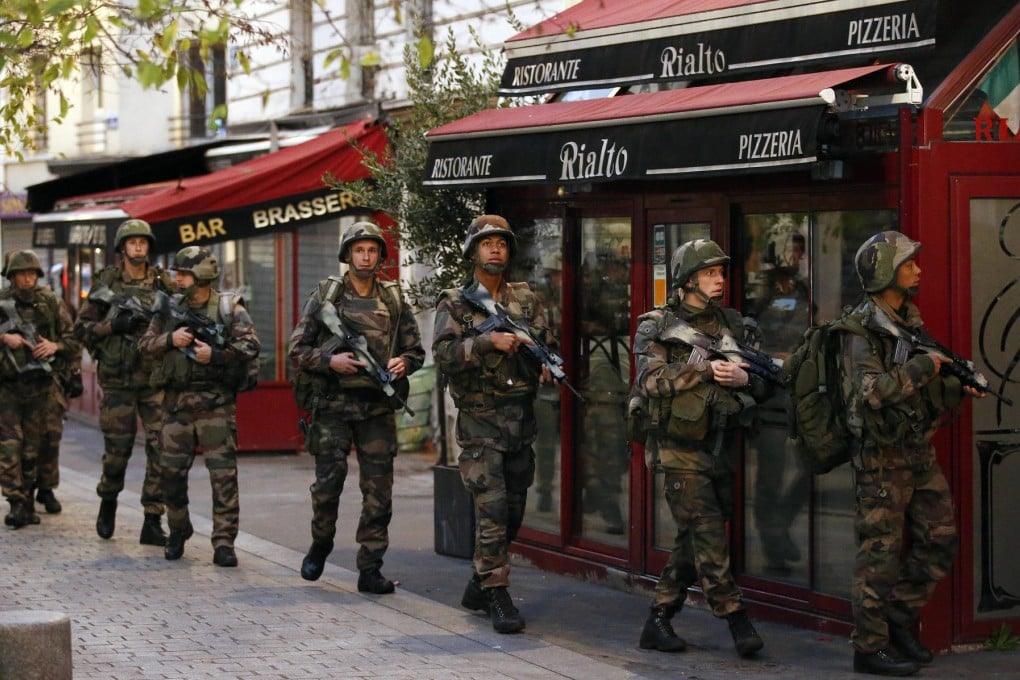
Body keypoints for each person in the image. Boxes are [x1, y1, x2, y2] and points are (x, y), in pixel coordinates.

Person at [843, 231, 983, 676]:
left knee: (940, 539)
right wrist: (924, 367)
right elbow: (872, 392)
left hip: (917, 450)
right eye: (908, 264)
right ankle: (868, 647)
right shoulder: (862, 330)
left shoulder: (909, 323)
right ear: (885, 272)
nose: (918, 269)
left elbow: (917, 382)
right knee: (879, 554)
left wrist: (952, 382)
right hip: (881, 458)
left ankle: (899, 622)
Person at [632, 238, 770, 658]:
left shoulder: (736, 325)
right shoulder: (657, 325)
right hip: (677, 450)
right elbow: (650, 380)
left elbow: (763, 380)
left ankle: (659, 618)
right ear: (688, 280)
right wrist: (704, 369)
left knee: (695, 537)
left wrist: (744, 380)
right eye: (710, 273)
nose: (719, 280)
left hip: (720, 445)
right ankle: (736, 619)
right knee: (709, 536)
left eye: (720, 273)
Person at [432, 215, 556, 634]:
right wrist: (486, 341)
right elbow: (444, 355)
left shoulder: (527, 299)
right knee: (493, 511)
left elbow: (545, 343)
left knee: (516, 512)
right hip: (481, 422)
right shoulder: (456, 302)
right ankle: (498, 593)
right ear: (473, 252)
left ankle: (477, 583)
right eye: (487, 243)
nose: (495, 249)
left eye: (502, 242)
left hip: (520, 421)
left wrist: (544, 364)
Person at [289, 221, 424, 594]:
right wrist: (331, 362)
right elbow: (297, 349)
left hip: (377, 408)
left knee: (379, 490)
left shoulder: (394, 298)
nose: (366, 256)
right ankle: (321, 544)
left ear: (381, 256)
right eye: (359, 250)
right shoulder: (327, 296)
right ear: (347, 255)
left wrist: (404, 363)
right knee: (328, 486)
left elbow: (416, 350)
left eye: (372, 250)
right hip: (333, 406)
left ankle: (370, 565)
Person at [139, 246, 260, 566]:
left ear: (202, 275)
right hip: (176, 407)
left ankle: (223, 542)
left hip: (215, 406)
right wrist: (170, 340)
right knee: (171, 475)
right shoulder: (167, 309)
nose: (178, 279)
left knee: (223, 477)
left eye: (184, 273)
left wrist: (216, 356)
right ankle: (178, 529)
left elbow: (250, 347)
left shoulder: (228, 307)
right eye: (177, 273)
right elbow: (144, 346)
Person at [75, 218, 172, 545]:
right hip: (117, 381)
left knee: (161, 448)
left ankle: (152, 518)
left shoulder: (162, 283)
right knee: (118, 451)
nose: (138, 247)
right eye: (132, 242)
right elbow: (81, 329)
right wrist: (112, 327)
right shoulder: (107, 283)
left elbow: (179, 318)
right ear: (122, 248)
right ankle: (108, 501)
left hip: (154, 380)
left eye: (143, 242)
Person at [0, 250, 80, 528]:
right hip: (8, 387)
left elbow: (74, 339)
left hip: (42, 386)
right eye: (22, 273)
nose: (28, 278)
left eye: (32, 273)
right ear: (11, 276)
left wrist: (54, 346)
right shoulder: (2, 302)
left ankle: (31, 495)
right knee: (10, 444)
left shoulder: (50, 302)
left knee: (36, 445)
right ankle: (15, 501)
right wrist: (4, 337)